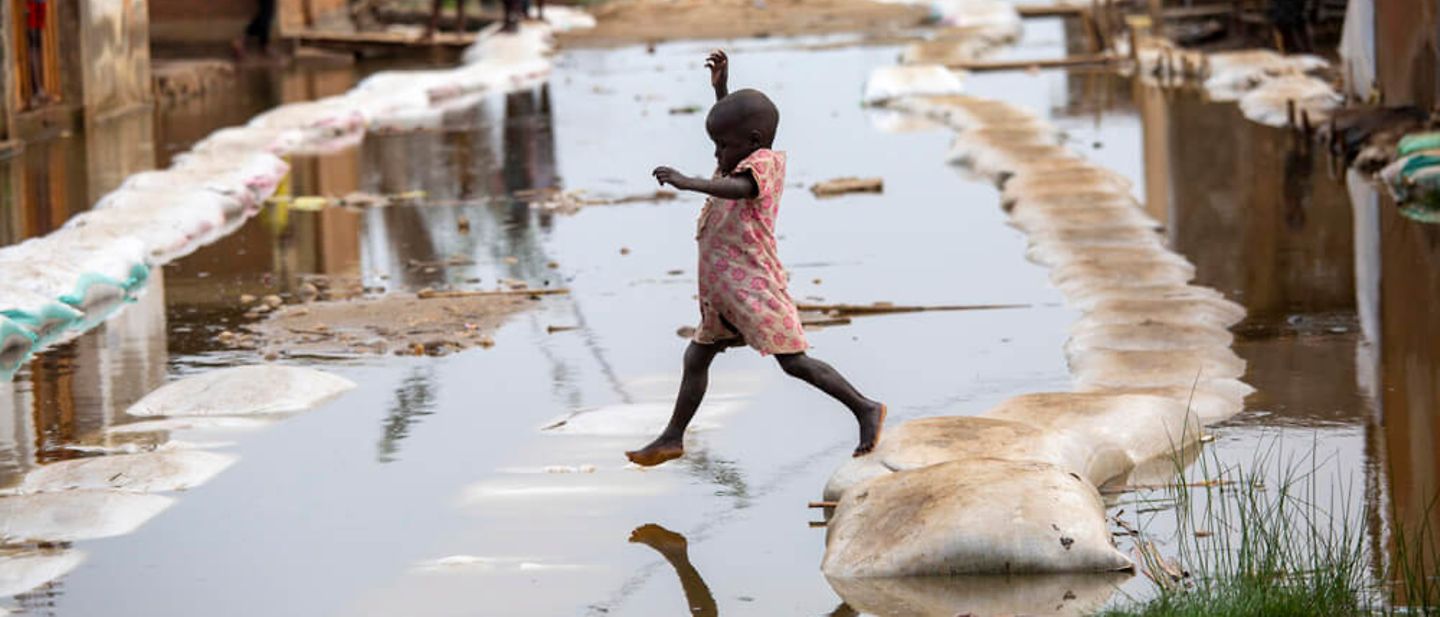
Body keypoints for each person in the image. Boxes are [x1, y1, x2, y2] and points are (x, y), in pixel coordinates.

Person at [626, 50, 886, 467]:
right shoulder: (743, 153)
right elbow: (734, 134)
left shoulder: (763, 165)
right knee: (696, 356)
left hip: (753, 285)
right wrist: (721, 91)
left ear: (753, 143)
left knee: (794, 362)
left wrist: (688, 182)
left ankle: (864, 408)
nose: (717, 156)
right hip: (723, 292)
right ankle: (672, 438)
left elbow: (741, 189)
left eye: (722, 146)